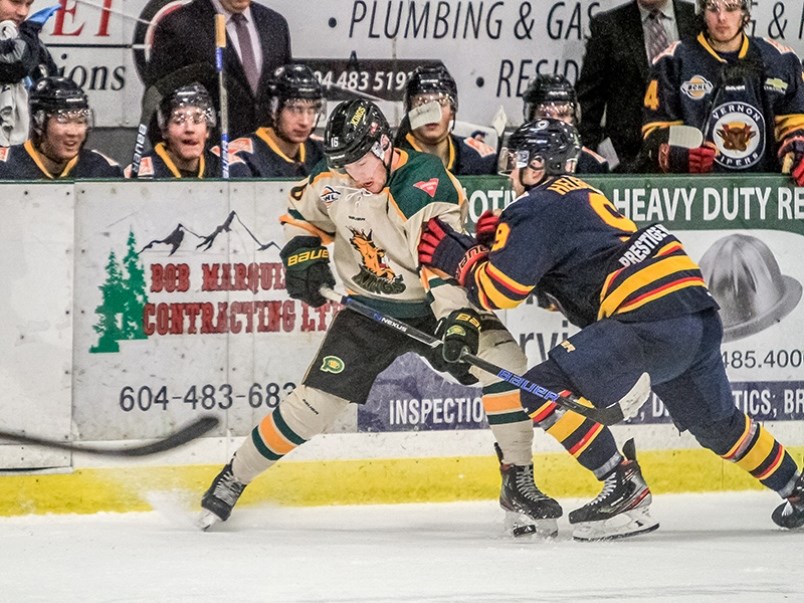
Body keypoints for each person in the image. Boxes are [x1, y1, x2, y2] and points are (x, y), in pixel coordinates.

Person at [197, 100, 655, 541]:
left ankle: (517, 482)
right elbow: (303, 213)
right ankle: (232, 478)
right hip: (368, 309)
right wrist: (303, 252)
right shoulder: (334, 175)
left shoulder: (422, 181)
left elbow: (440, 260)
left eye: (359, 162)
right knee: (314, 407)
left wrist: (457, 321)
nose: (352, 173)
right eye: (343, 164)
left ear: (381, 144)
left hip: (436, 301)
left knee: (509, 368)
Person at [416, 117, 804, 533]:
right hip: (695, 311)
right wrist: (500, 251)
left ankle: (622, 484)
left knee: (538, 389)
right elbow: (563, 292)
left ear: (535, 165)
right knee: (719, 425)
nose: (512, 170)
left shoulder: (532, 205)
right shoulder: (581, 193)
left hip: (647, 318)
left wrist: (459, 257)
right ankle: (794, 486)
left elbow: (500, 292)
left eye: (518, 160)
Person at [642, 0, 804, 181]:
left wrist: (798, 149)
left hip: (765, 194)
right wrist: (677, 156)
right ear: (701, 11)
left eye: (731, 8)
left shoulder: (779, 60)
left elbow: (796, 122)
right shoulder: (672, 62)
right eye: (712, 8)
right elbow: (654, 137)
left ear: (746, 12)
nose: (721, 17)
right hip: (695, 194)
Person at [576, 0, 697, 171]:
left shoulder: (698, 19)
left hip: (690, 157)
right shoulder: (608, 26)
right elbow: (588, 101)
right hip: (625, 164)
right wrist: (601, 160)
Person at [146, 0, 291, 139]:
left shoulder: (276, 24)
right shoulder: (178, 26)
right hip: (210, 156)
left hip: (266, 154)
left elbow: (285, 95)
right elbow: (156, 103)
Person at [0, 76, 122, 179]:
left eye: (80, 121)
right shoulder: (5, 167)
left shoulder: (102, 169)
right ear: (39, 122)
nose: (73, 132)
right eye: (63, 120)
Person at [125, 82, 250, 179]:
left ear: (208, 130)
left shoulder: (233, 169)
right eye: (179, 120)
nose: (189, 129)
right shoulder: (140, 174)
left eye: (197, 120)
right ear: (164, 130)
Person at [395, 64, 498, 175]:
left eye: (441, 102)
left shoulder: (481, 160)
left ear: (452, 110)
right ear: (410, 111)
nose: (433, 112)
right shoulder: (392, 160)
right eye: (422, 103)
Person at [230, 63, 325, 178]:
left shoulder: (323, 153)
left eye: (311, 110)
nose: (304, 122)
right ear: (274, 109)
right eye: (295, 109)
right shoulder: (243, 157)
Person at [522, 74, 609, 174]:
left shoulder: (591, 165)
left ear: (575, 117)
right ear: (530, 119)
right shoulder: (513, 164)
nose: (555, 124)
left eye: (562, 115)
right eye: (545, 115)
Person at [1, 1, 58, 145]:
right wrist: (29, 33)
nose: (23, 12)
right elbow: (14, 65)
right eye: (15, 2)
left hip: (22, 153)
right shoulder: (27, 40)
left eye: (28, 4)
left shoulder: (28, 42)